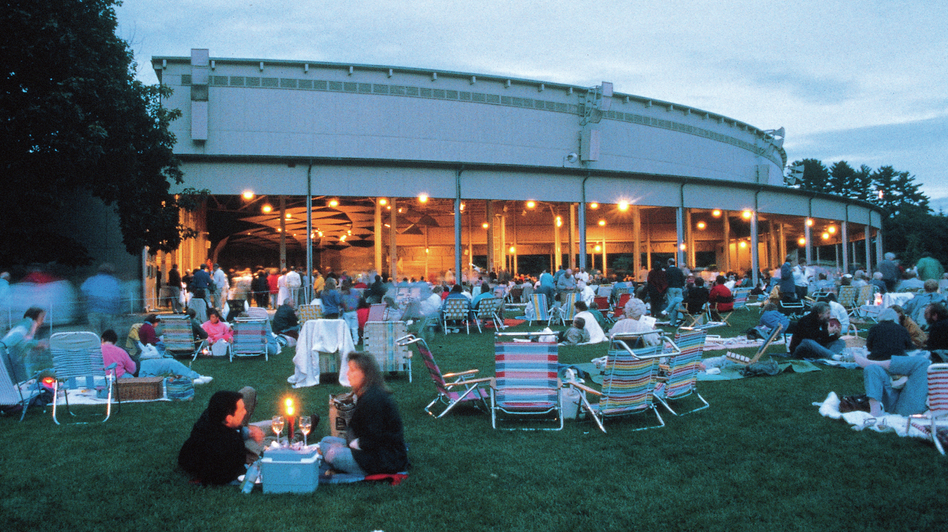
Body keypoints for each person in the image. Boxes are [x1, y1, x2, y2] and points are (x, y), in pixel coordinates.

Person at [318, 353, 408, 476]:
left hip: (384, 458)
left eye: (352, 370)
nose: (347, 374)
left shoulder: (374, 399)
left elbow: (375, 439)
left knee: (333, 455)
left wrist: (353, 445)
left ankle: (349, 467)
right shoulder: (365, 394)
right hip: (365, 448)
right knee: (325, 441)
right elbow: (356, 430)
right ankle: (344, 462)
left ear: (365, 373)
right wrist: (350, 444)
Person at [178, 389, 265, 485]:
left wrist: (248, 431)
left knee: (248, 391)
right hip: (235, 454)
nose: (245, 412)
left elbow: (235, 428)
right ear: (228, 418)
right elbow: (237, 477)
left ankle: (273, 426)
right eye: (241, 410)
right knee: (273, 444)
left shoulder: (213, 412)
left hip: (231, 433)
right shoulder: (225, 450)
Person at [854, 311, 930, 417]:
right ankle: (875, 411)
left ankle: (874, 362)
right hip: (898, 404)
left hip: (911, 410)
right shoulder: (902, 329)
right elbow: (910, 347)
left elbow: (869, 346)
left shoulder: (875, 328)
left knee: (923, 363)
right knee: (872, 369)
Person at [100, 329, 211, 384]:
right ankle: (196, 377)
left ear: (102, 340)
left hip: (131, 376)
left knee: (160, 371)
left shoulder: (93, 353)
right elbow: (133, 368)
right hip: (139, 370)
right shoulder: (119, 351)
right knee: (169, 362)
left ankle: (190, 379)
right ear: (114, 342)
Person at [0, 307, 47, 382]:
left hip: (7, 353)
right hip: (7, 353)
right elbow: (22, 340)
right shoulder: (28, 323)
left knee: (18, 380)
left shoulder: (25, 323)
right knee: (19, 380)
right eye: (42, 317)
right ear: (35, 316)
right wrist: (38, 343)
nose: (43, 320)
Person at [81, 263, 123, 335]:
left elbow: (83, 293)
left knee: (95, 334)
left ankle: (97, 346)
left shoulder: (91, 280)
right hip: (110, 312)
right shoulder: (116, 281)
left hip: (93, 312)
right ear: (111, 272)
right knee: (107, 334)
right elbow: (120, 298)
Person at [662, 258, 685, 323]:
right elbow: (682, 279)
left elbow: (665, 279)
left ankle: (671, 316)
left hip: (671, 287)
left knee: (671, 302)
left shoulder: (667, 270)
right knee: (679, 302)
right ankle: (680, 316)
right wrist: (682, 286)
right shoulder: (679, 270)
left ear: (669, 263)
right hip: (679, 287)